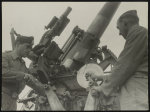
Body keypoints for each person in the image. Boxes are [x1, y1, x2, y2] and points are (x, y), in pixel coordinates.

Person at [88, 10, 148, 110]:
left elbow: (125, 66)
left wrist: (102, 88)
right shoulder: (141, 34)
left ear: (125, 23)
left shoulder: (138, 33)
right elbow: (127, 69)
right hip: (138, 88)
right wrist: (98, 77)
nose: (119, 33)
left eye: (118, 28)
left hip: (136, 90)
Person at [2, 29, 45, 110]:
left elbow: (33, 82)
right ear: (18, 44)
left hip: (12, 102)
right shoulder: (5, 56)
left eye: (31, 47)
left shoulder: (23, 67)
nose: (29, 50)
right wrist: (23, 75)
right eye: (27, 46)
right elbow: (3, 73)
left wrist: (46, 91)